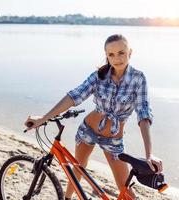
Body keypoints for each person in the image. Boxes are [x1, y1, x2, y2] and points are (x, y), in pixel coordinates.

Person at [24, 34, 163, 199]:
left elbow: (144, 115)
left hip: (113, 140)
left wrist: (149, 154)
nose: (117, 58)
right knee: (77, 169)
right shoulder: (99, 76)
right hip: (87, 130)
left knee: (125, 189)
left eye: (121, 52)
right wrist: (43, 119)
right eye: (111, 54)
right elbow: (74, 97)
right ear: (106, 56)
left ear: (130, 52)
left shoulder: (138, 79)